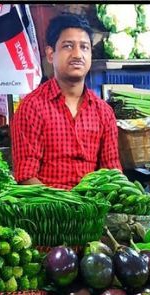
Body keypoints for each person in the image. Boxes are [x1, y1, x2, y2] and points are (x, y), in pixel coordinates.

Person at [11, 13, 120, 190]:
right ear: (50, 54)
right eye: (68, 46)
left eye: (84, 47)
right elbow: (26, 176)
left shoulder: (104, 112)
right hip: (47, 210)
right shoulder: (32, 107)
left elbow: (112, 172)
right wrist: (69, 205)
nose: (77, 54)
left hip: (93, 208)